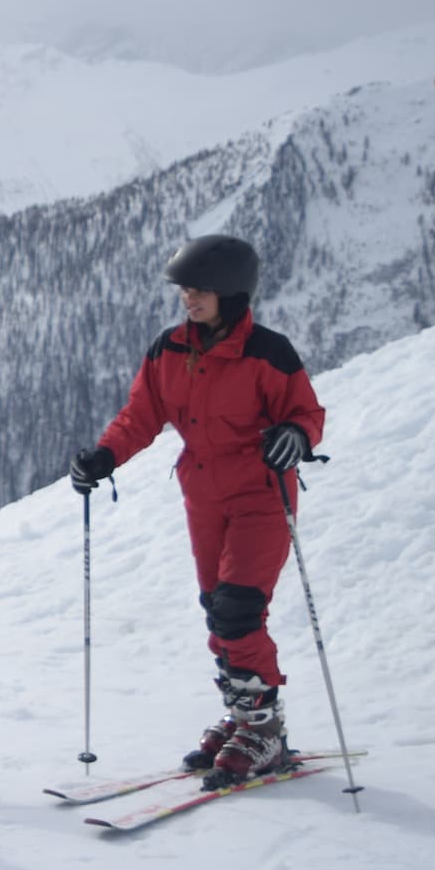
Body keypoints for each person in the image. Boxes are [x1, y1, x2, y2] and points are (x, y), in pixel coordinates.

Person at [69, 233, 325, 786]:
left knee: (238, 608)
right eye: (185, 289)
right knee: (217, 609)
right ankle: (244, 716)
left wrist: (295, 436)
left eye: (201, 290)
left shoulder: (267, 352)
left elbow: (306, 412)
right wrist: (104, 456)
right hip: (204, 495)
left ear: (232, 294)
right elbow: (141, 414)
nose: (189, 298)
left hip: (261, 495)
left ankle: (264, 731)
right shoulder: (170, 350)